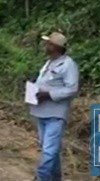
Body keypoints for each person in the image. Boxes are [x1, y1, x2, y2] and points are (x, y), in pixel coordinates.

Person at [30, 32, 79, 181]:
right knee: (51, 150)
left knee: (49, 151)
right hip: (41, 112)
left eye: (49, 44)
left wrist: (48, 95)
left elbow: (72, 89)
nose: (46, 46)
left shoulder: (68, 65)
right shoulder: (49, 63)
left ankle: (41, 177)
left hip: (55, 114)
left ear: (56, 47)